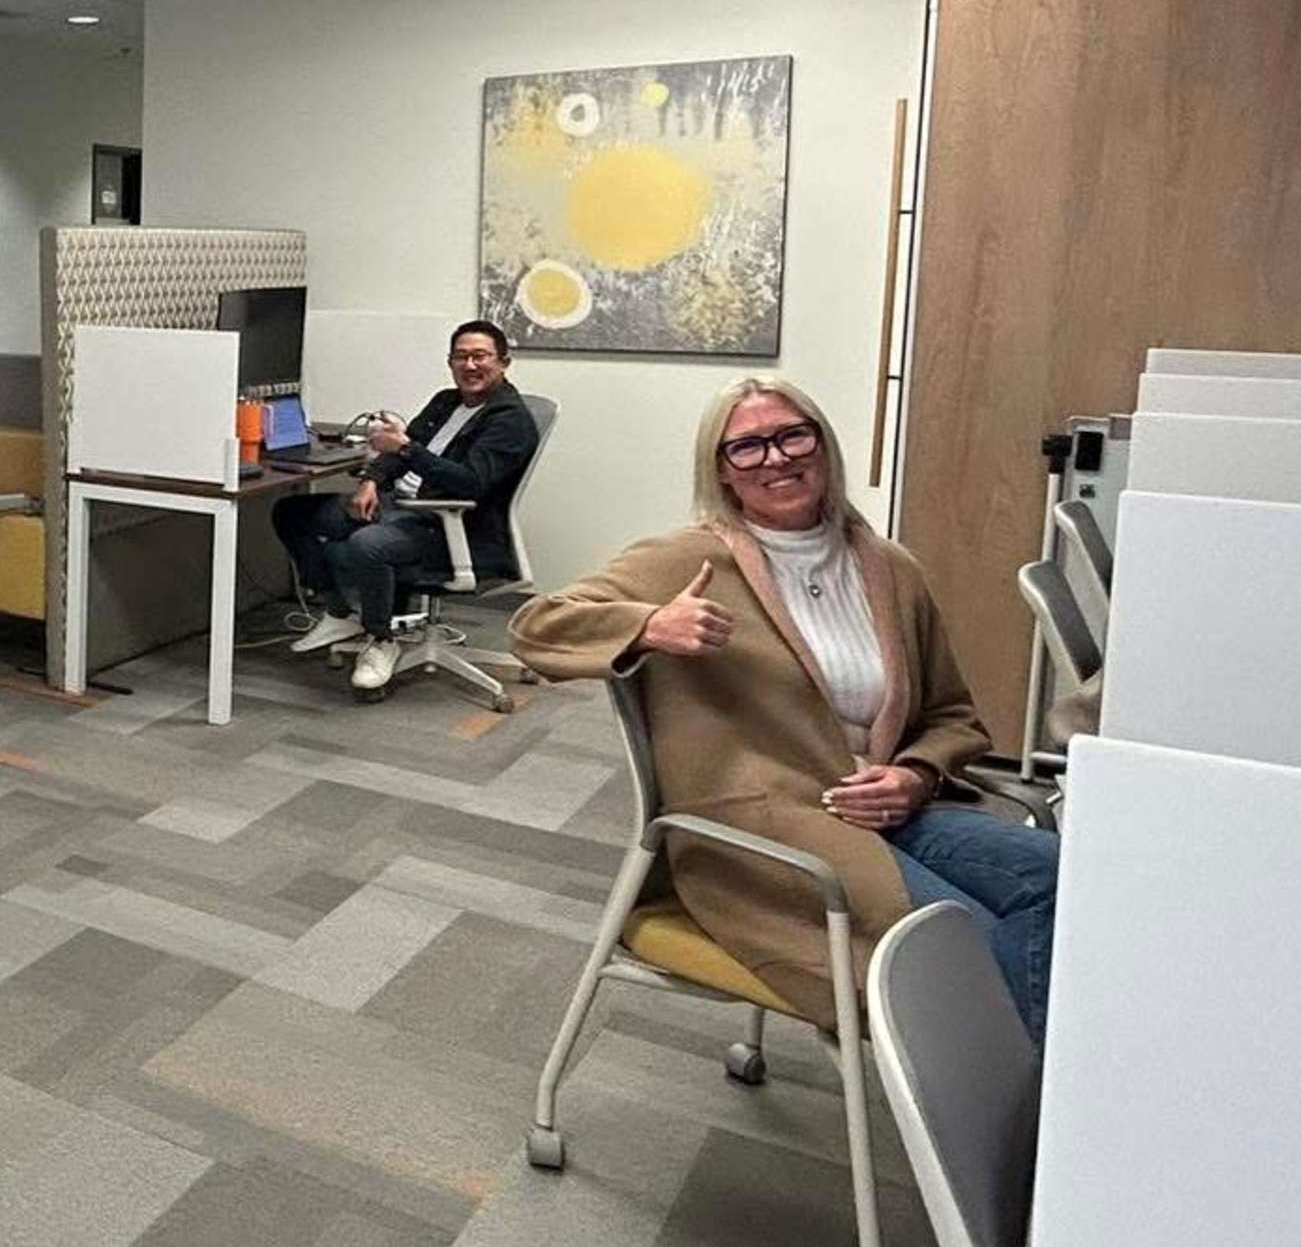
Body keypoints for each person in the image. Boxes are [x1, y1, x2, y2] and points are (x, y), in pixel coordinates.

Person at [510, 377, 1055, 1039]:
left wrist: (913, 774)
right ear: (722, 472)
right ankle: (1019, 1120)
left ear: (823, 446)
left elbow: (953, 716)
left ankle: (1034, 1082)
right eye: (747, 447)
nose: (776, 458)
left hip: (892, 814)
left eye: (794, 435)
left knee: (1067, 884)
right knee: (966, 942)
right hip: (767, 835)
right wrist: (650, 624)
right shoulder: (689, 557)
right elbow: (535, 628)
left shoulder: (890, 568)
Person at [275, 318, 544, 694]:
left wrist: (404, 449)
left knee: (367, 545)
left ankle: (381, 639)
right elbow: (401, 448)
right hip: (400, 504)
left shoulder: (510, 421)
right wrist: (372, 479)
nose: (469, 366)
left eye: (480, 357)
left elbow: (468, 482)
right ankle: (339, 612)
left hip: (451, 525)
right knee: (293, 513)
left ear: (503, 362)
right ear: (450, 362)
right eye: (461, 357)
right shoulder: (445, 401)